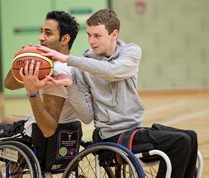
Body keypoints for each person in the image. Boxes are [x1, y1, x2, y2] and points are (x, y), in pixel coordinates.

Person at [37, 9, 198, 178]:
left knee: (191, 137)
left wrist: (69, 60)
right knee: (181, 142)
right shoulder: (82, 68)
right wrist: (70, 86)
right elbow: (86, 116)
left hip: (134, 130)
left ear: (114, 34)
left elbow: (112, 71)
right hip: (111, 137)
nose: (91, 41)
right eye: (89, 35)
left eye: (97, 36)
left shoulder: (131, 52)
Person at [0, 10, 82, 174]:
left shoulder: (55, 72)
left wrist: (33, 93)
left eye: (48, 33)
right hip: (67, 136)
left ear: (65, 39)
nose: (41, 37)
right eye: (41, 31)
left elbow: (48, 128)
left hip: (39, 142)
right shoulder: (71, 65)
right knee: (8, 119)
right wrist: (21, 61)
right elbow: (9, 84)